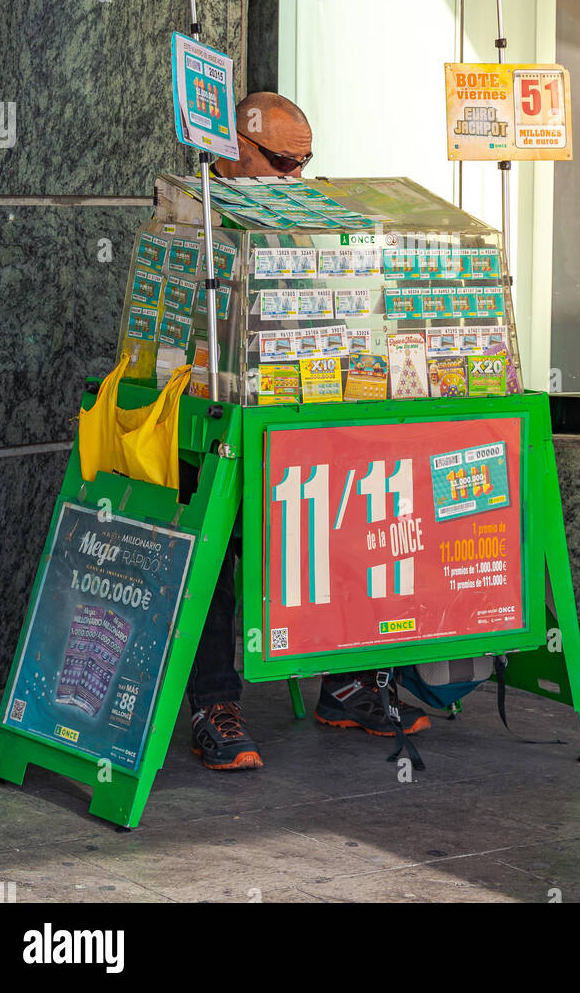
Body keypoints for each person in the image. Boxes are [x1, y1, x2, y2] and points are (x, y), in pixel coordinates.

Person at [187, 91, 429, 770]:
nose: (291, 177)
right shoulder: (192, 212)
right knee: (214, 541)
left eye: (303, 164)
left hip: (298, 415)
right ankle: (213, 704)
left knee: (356, 509)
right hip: (220, 419)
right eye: (279, 161)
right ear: (235, 145)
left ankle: (347, 684)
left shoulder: (302, 212)